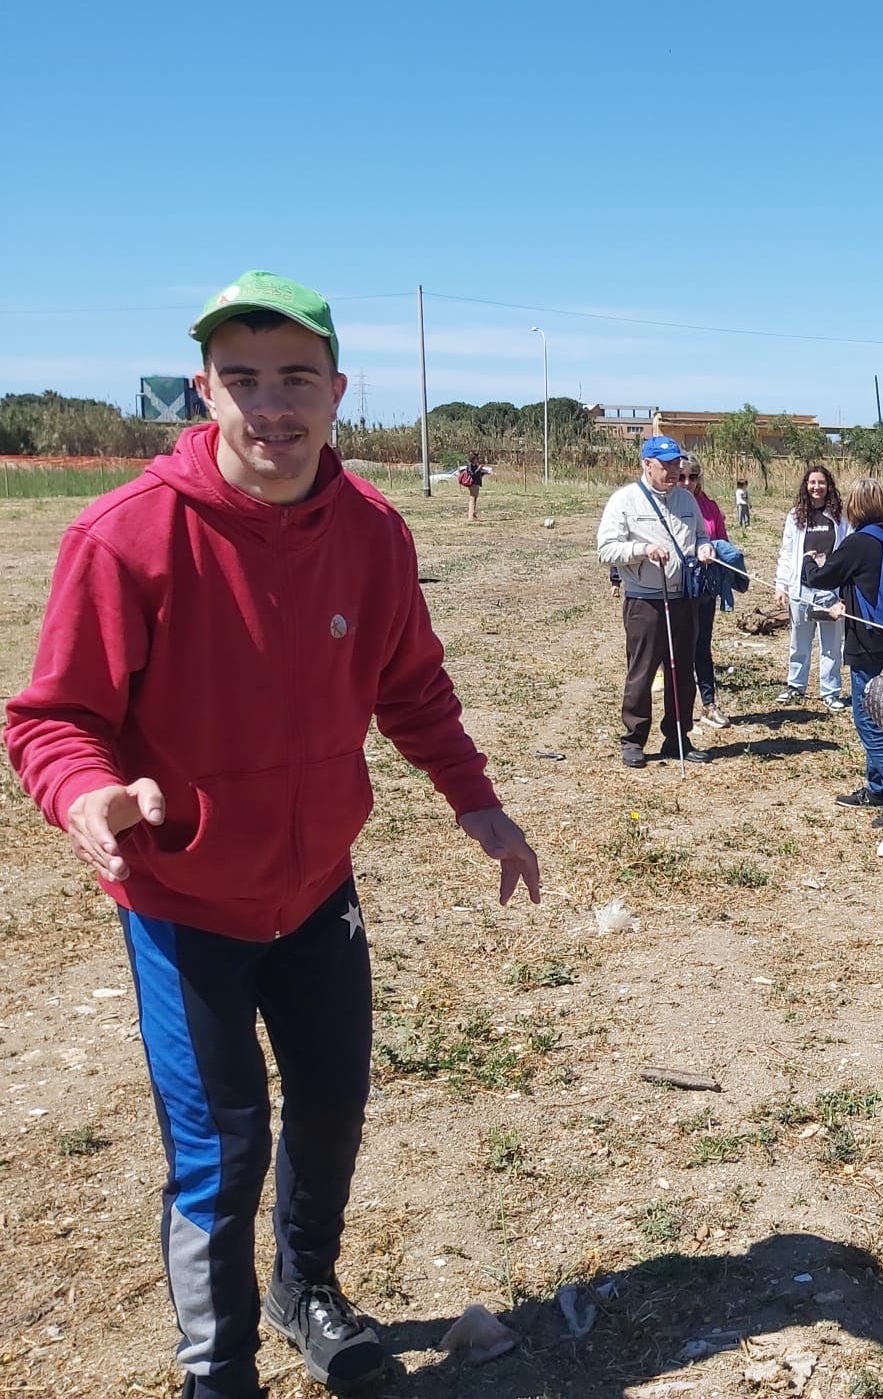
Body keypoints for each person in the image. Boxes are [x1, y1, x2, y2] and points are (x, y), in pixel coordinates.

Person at [4, 271, 541, 1399]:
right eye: (242, 378)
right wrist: (84, 792)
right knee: (223, 1150)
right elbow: (54, 717)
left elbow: (414, 687)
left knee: (335, 1104)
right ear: (205, 391)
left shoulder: (374, 535)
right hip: (183, 904)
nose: (271, 404)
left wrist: (475, 802)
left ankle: (308, 1290)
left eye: (296, 376)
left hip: (316, 890)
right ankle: (220, 1369)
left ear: (338, 392)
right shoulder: (128, 538)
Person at [804, 476, 883, 857]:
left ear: (853, 508)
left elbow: (820, 577)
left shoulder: (858, 543)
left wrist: (810, 560)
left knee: (871, 721)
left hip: (869, 648)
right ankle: (877, 788)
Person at [597, 435, 718, 767]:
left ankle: (678, 736)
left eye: (676, 464)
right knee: (643, 671)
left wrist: (705, 548)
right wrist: (642, 550)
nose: (673, 471)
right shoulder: (624, 500)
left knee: (682, 670)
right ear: (646, 465)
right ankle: (633, 739)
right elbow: (605, 549)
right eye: (664, 465)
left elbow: (701, 536)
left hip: (684, 598)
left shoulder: (687, 501)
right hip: (645, 601)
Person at [774, 464, 849, 711]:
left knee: (830, 645)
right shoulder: (796, 516)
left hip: (829, 592)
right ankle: (796, 686)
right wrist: (781, 585)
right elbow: (786, 553)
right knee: (800, 642)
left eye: (821, 483)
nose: (817, 487)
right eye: (812, 482)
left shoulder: (840, 517)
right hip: (801, 590)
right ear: (806, 486)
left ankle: (831, 692)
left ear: (829, 487)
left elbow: (848, 549)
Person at [679, 455, 733, 728]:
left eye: (693, 476)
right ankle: (678, 709)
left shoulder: (710, 508)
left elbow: (724, 544)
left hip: (704, 589)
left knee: (702, 646)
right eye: (682, 477)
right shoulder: (669, 505)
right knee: (677, 648)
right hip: (675, 589)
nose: (687, 482)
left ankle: (709, 704)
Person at [456, 451, 484, 521]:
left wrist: (482, 472)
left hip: (477, 483)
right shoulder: (470, 465)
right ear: (473, 459)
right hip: (472, 484)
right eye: (476, 459)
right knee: (472, 499)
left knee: (474, 499)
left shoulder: (475, 465)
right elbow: (472, 474)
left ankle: (473, 515)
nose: (477, 460)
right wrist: (478, 469)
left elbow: (478, 474)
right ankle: (471, 516)